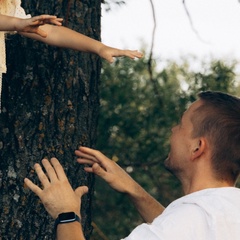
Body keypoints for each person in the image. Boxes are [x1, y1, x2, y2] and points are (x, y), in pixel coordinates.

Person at [24, 91, 240, 240]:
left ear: (197, 147)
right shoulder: (226, 210)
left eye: (181, 124)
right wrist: (133, 189)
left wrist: (66, 213)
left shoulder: (193, 216)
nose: (173, 130)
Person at [0, 0, 143, 111]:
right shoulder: (15, 21)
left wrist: (100, 48)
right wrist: (17, 23)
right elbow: (16, 23)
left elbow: (51, 32)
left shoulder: (8, 6)